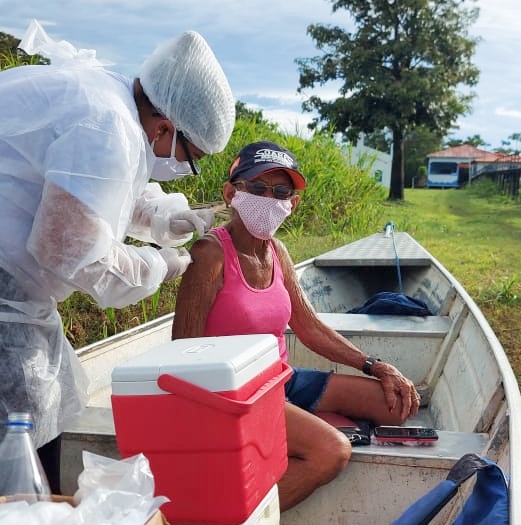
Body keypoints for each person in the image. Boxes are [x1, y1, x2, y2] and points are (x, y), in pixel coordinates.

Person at [0, 20, 235, 492]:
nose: (186, 170)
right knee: (18, 460)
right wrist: (158, 265)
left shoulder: (107, 99)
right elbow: (68, 250)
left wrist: (163, 217)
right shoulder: (107, 127)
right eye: (192, 157)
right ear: (167, 126)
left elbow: (93, 188)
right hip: (7, 305)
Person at [171, 141, 421, 511]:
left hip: (281, 380)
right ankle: (228, 515)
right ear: (231, 193)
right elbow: (183, 348)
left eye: (281, 191)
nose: (269, 198)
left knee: (396, 407)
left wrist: (375, 365)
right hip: (236, 395)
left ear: (293, 202)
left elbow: (309, 327)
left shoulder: (277, 251)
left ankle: (291, 432)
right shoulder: (210, 253)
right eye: (257, 188)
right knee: (331, 451)